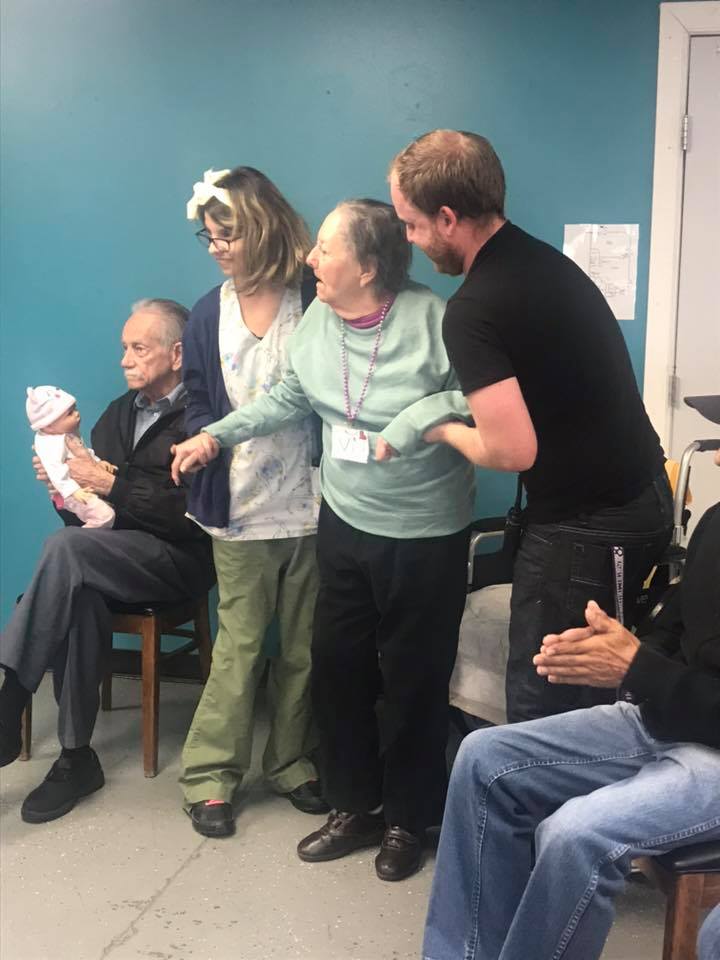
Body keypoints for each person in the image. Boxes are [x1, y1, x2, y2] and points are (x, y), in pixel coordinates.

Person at [170, 198, 476, 881]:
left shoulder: (438, 321)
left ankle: (408, 818)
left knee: (414, 679)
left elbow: (478, 397)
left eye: (326, 250)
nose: (311, 258)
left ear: (367, 267)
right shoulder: (318, 319)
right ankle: (354, 805)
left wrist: (415, 420)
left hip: (424, 533)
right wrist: (214, 435)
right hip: (343, 521)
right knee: (338, 670)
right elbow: (289, 396)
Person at [421, 395, 720, 960]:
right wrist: (624, 652)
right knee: (484, 758)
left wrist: (640, 668)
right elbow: (678, 622)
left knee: (575, 833)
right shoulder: (717, 522)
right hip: (670, 718)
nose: (719, 455)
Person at [389, 130, 673, 723]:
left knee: (549, 709)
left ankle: (550, 789)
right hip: (638, 498)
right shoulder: (543, 263)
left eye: (412, 225)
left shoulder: (473, 308)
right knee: (589, 698)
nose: (410, 239)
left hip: (589, 526)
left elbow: (511, 450)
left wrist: (440, 428)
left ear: (447, 219)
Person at [0, 299, 215, 824]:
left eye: (138, 348)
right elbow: (89, 522)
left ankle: (9, 702)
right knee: (77, 590)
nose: (124, 359)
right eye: (124, 347)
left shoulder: (204, 417)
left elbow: (193, 517)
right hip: (110, 556)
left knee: (66, 553)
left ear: (177, 354)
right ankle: (76, 758)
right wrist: (63, 492)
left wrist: (111, 484)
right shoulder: (117, 415)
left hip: (177, 560)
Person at [177, 166, 326, 840]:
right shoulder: (208, 312)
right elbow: (198, 398)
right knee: (239, 648)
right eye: (208, 237)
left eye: (227, 234)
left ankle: (291, 761)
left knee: (303, 646)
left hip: (314, 504)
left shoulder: (314, 299)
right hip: (237, 508)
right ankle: (210, 777)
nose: (216, 247)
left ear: (261, 228)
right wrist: (201, 440)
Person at [25, 385, 115, 528]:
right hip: (70, 492)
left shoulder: (65, 434)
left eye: (75, 409)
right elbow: (56, 471)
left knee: (106, 512)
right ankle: (83, 537)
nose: (77, 414)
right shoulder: (51, 444)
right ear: (48, 426)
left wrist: (97, 462)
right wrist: (74, 491)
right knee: (105, 516)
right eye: (69, 414)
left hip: (80, 488)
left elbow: (82, 451)